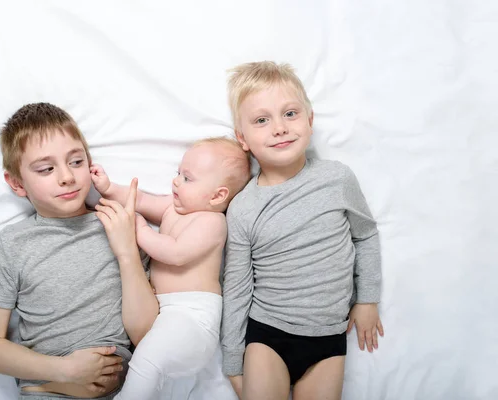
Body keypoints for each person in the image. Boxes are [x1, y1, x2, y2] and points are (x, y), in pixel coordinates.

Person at [221, 61, 385, 400]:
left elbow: (365, 235)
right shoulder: (243, 207)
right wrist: (233, 363)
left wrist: (367, 299)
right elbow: (237, 287)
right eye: (262, 120)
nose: (279, 128)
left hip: (328, 337)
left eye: (290, 114)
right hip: (268, 334)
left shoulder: (336, 178)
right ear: (243, 138)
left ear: (310, 122)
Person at [0, 102, 157, 400]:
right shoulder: (12, 244)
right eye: (47, 169)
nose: (67, 177)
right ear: (17, 184)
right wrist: (65, 371)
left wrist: (126, 253)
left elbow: (148, 336)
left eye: (75, 162)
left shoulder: (121, 224)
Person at [91, 137, 251, 400]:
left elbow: (175, 253)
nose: (176, 181)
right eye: (178, 173)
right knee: (161, 384)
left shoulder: (212, 222)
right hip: (164, 315)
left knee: (148, 360)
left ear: (217, 195)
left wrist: (140, 230)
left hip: (192, 318)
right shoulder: (173, 207)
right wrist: (108, 188)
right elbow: (139, 199)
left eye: (187, 178)